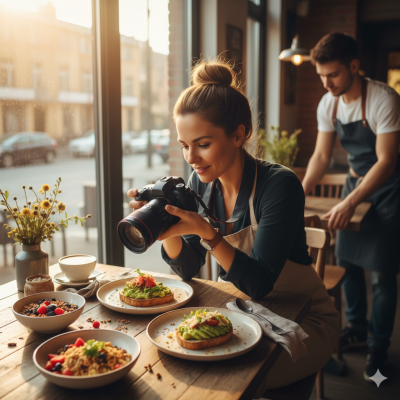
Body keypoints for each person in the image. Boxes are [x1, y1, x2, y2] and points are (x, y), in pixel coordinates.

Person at [128, 59, 339, 392]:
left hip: (303, 319)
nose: (191, 158)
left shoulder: (278, 186)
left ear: (239, 135)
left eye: (203, 144)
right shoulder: (201, 186)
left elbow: (259, 282)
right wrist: (168, 233)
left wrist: (207, 233)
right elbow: (187, 269)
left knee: (223, 382)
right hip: (246, 314)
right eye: (185, 145)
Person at [302, 32, 400, 381]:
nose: (326, 83)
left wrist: (350, 200)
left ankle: (378, 346)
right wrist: (300, 190)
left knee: (383, 276)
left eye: (333, 75)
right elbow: (322, 156)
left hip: (388, 189)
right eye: (321, 76)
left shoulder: (384, 99)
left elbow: (387, 161)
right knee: (347, 260)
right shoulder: (328, 103)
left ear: (354, 67)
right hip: (355, 183)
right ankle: (356, 327)